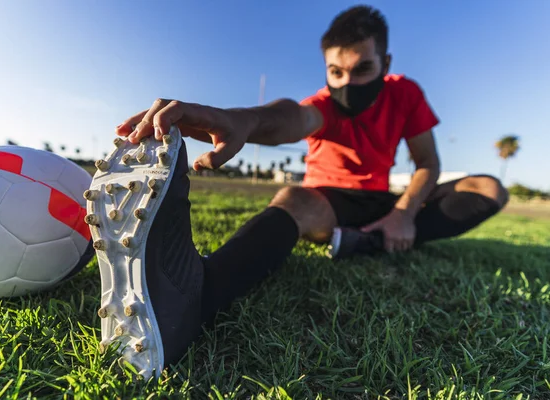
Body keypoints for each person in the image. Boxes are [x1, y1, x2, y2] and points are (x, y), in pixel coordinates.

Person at [94, 5, 509, 377]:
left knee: (488, 187)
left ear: (386, 62)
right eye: (336, 72)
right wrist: (239, 120)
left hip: (383, 200)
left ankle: (371, 239)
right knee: (294, 200)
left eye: (362, 69)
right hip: (328, 202)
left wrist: (403, 211)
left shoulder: (406, 92)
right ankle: (201, 293)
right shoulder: (324, 106)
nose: (348, 82)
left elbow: (428, 165)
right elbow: (287, 117)